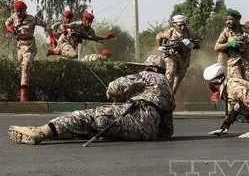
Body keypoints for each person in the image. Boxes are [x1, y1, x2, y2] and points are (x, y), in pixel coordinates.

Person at [8, 55, 176, 145]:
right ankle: (50, 132)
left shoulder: (147, 75)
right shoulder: (167, 87)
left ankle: (42, 132)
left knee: (86, 117)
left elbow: (115, 87)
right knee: (93, 127)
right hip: (147, 132)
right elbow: (167, 130)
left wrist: (112, 95)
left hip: (136, 115)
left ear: (149, 67)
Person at [4, 0, 48, 101]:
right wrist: (10, 28)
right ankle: (28, 77)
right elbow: (6, 23)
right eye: (16, 11)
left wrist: (52, 35)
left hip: (29, 47)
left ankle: (23, 95)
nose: (18, 13)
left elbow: (45, 25)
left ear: (24, 10)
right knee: (22, 66)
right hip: (20, 46)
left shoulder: (32, 19)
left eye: (20, 11)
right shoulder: (14, 16)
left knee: (25, 66)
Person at [155, 14, 201, 95]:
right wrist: (159, 47)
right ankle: (166, 94)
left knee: (179, 79)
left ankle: (172, 95)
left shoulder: (191, 32)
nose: (182, 27)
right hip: (171, 55)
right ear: (174, 25)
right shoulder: (169, 32)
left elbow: (199, 45)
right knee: (171, 71)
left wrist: (191, 44)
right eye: (180, 25)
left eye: (184, 25)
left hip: (184, 58)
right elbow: (158, 37)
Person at [48, 12, 116, 58]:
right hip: (65, 41)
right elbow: (63, 26)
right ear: (84, 20)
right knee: (74, 55)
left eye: (91, 22)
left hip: (72, 45)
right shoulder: (77, 24)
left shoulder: (90, 30)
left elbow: (95, 38)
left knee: (69, 58)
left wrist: (106, 37)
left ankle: (54, 52)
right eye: (88, 22)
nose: (89, 24)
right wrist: (64, 31)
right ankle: (56, 51)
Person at [214, 9, 249, 82]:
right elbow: (216, 47)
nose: (227, 22)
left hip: (246, 62)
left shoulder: (246, 30)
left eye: (230, 19)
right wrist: (229, 44)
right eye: (226, 20)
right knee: (237, 82)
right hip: (231, 61)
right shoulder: (226, 31)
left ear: (237, 20)